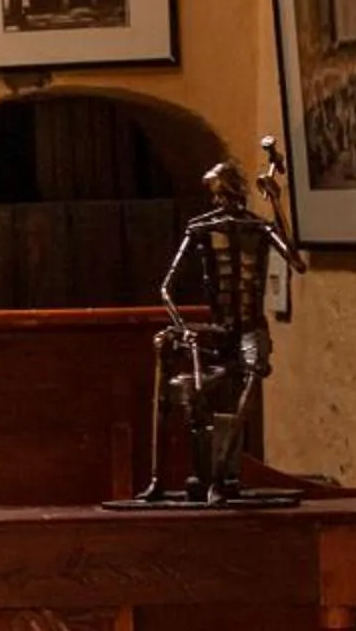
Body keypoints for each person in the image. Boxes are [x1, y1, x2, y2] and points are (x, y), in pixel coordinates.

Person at [131, 138, 307, 506]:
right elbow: (166, 287)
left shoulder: (258, 228)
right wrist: (181, 326)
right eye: (214, 196)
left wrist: (275, 201)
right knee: (165, 348)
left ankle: (219, 476)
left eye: (222, 193)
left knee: (250, 376)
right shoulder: (200, 230)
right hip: (220, 327)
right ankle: (158, 479)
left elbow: (296, 260)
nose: (219, 203)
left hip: (249, 326)